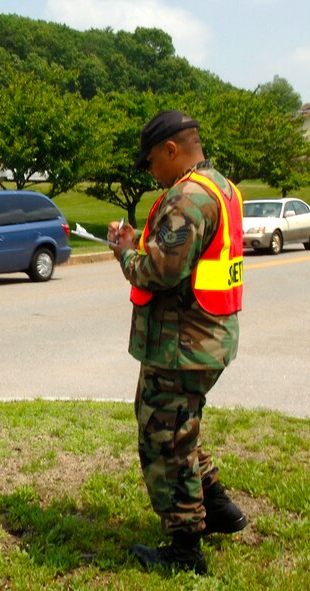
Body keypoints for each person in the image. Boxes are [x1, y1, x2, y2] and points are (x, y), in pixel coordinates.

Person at [107, 111, 247, 574]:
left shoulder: (186, 198)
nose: (151, 173)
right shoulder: (221, 187)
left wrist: (125, 252)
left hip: (182, 343)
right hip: (206, 337)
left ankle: (186, 550)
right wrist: (139, 240)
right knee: (180, 426)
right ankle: (219, 510)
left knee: (164, 441)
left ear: (171, 150)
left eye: (151, 162)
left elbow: (160, 271)